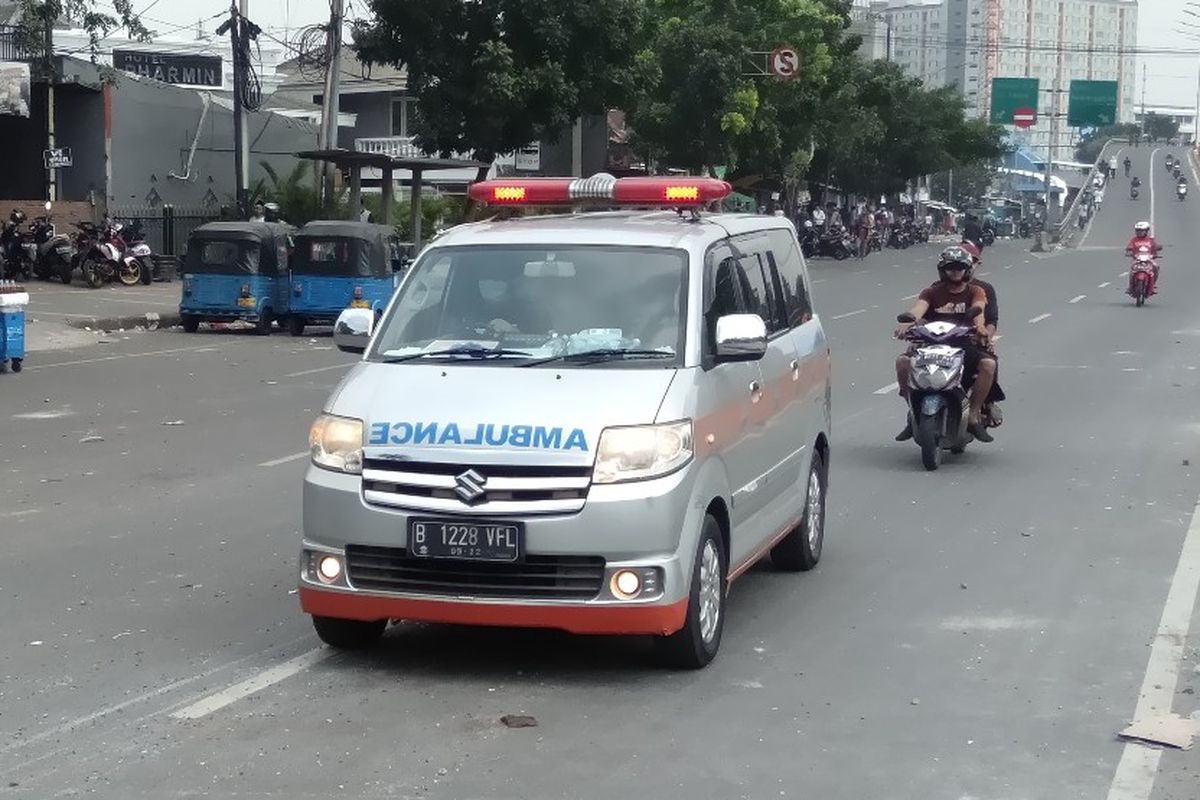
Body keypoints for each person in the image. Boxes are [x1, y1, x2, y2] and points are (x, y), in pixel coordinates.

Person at [894, 245, 997, 444]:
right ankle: (913, 413)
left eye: (959, 267)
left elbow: (979, 310)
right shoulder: (931, 291)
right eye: (951, 267)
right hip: (930, 342)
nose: (955, 271)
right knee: (902, 362)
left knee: (988, 365)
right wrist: (908, 323)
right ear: (943, 269)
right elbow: (918, 310)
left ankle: (974, 415)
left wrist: (980, 328)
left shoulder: (976, 291)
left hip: (964, 344)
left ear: (967, 269)